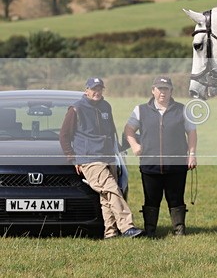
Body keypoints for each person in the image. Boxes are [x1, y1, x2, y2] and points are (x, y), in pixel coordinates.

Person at [60, 77, 144, 239]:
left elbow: (111, 132)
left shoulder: (106, 106)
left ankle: (110, 232)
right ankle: (127, 227)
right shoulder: (76, 109)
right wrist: (74, 160)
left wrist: (118, 150)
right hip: (89, 159)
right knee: (113, 189)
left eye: (99, 89)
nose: (96, 92)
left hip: (108, 157)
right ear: (86, 90)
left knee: (106, 196)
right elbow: (64, 137)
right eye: (93, 89)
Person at [123, 76, 197, 237]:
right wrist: (135, 145)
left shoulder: (182, 109)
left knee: (176, 198)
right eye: (159, 89)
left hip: (176, 165)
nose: (162, 92)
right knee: (151, 199)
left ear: (171, 91)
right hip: (150, 165)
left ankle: (179, 229)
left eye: (166, 89)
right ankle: (150, 230)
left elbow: (191, 132)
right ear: (153, 91)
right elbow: (128, 129)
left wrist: (192, 154)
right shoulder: (140, 110)